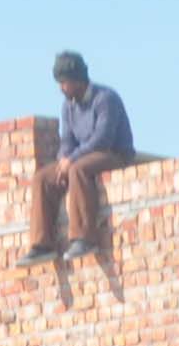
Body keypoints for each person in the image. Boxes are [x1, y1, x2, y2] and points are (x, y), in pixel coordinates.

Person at [29, 51, 139, 263]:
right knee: (42, 178)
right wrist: (63, 159)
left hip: (114, 153)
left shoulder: (105, 98)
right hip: (81, 156)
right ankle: (42, 244)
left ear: (78, 80)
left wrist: (72, 160)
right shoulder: (68, 106)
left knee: (78, 169)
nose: (62, 88)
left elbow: (102, 139)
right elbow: (67, 139)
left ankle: (84, 238)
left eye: (65, 83)